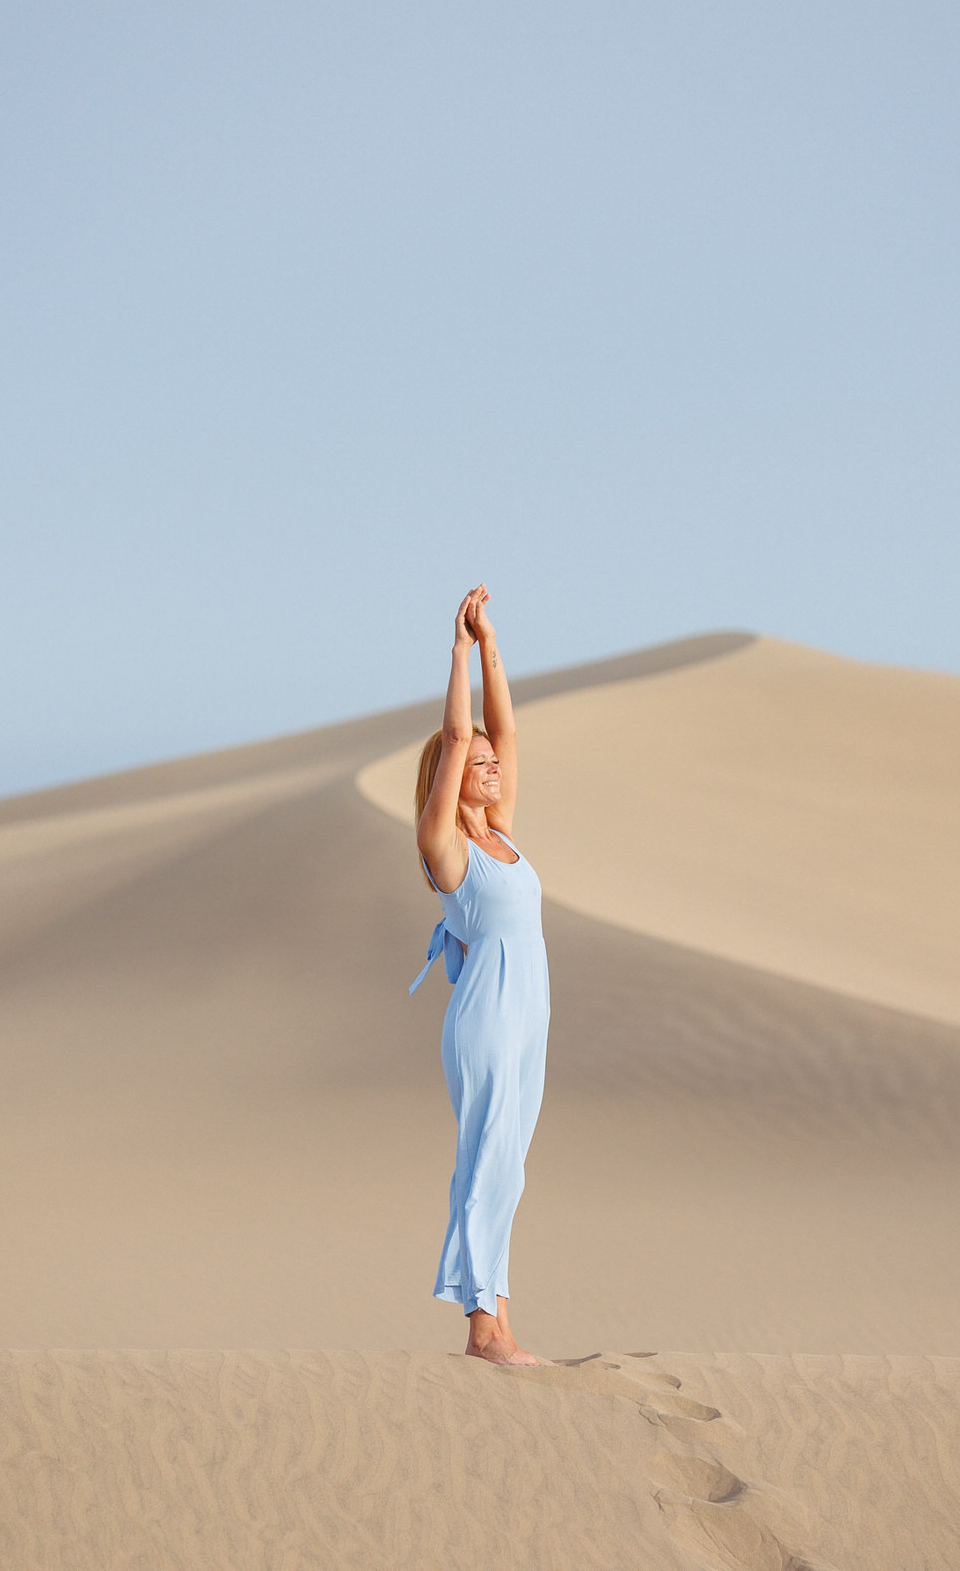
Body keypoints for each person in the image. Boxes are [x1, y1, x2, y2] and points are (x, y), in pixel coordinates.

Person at [408, 584, 550, 1366]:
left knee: (511, 1166)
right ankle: (479, 1332)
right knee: (488, 1159)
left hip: (531, 1015)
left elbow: (503, 728)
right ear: (453, 775)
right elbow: (463, 735)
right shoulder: (447, 846)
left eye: (496, 765)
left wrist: (493, 643)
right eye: (479, 765)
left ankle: (500, 1323)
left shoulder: (501, 834)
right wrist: (457, 654)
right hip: (488, 1017)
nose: (493, 766)